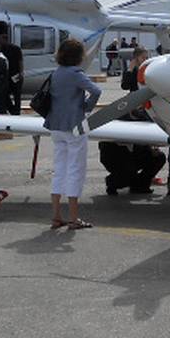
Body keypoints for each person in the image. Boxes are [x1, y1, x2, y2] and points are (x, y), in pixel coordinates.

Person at [44, 38, 103, 230]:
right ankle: (74, 218)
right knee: (75, 170)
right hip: (75, 126)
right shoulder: (76, 74)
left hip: (55, 126)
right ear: (79, 56)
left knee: (59, 169)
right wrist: (85, 108)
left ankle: (55, 216)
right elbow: (96, 91)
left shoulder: (56, 73)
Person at [0, 32, 24, 115]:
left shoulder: (13, 49)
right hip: (11, 74)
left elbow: (20, 61)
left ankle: (15, 110)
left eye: (0, 40)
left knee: (14, 93)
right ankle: (13, 109)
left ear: (5, 40)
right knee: (9, 93)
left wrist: (21, 72)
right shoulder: (12, 48)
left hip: (13, 74)